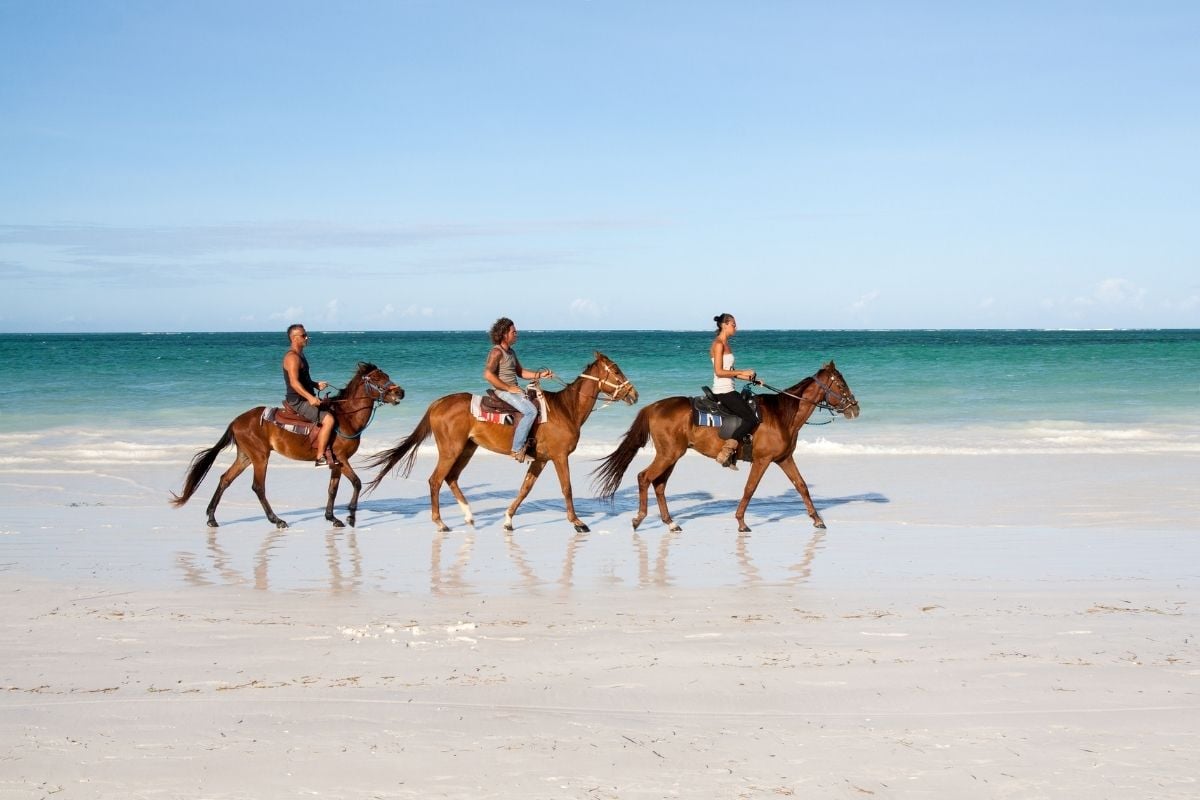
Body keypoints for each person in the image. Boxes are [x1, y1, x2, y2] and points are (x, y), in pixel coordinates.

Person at [483, 317, 554, 462]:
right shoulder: (497, 352)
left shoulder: (511, 352)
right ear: (504, 334)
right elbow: (488, 375)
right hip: (502, 391)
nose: (516, 334)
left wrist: (540, 375)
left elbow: (520, 372)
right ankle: (516, 449)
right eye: (513, 332)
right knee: (531, 411)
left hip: (512, 390)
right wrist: (508, 387)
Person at [282, 323, 337, 467]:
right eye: (303, 335)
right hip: (298, 401)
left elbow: (303, 379)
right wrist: (310, 398)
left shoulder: (300, 354)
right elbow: (294, 383)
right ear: (294, 338)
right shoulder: (292, 357)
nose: (307, 337)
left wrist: (315, 384)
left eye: (306, 334)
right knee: (329, 420)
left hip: (305, 396)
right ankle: (320, 457)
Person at [710, 313, 759, 469]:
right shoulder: (718, 344)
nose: (736, 327)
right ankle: (727, 451)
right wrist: (744, 371)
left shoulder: (727, 344)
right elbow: (719, 372)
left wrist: (751, 379)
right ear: (724, 325)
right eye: (733, 324)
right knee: (751, 419)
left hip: (729, 388)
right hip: (723, 391)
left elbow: (730, 372)